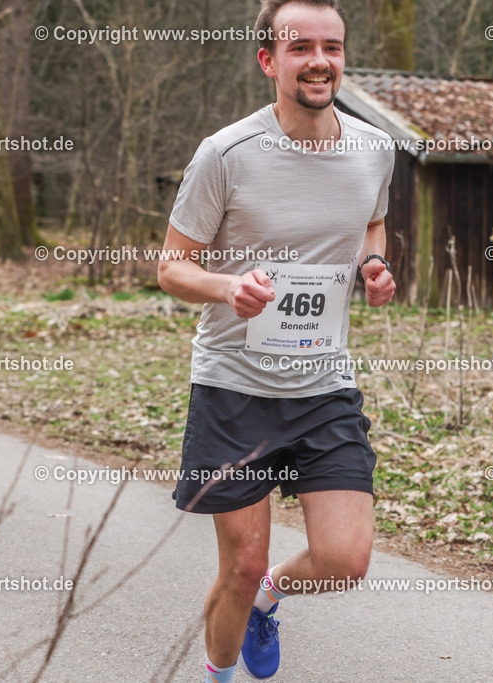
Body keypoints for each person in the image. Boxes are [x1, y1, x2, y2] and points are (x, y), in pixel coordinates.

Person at [157, 1, 395, 679]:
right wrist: (228, 287)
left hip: (323, 383)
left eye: (332, 47)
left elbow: (371, 224)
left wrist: (373, 266)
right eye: (300, 47)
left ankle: (269, 599)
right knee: (241, 564)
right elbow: (172, 267)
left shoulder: (375, 149)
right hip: (235, 386)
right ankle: (219, 672)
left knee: (345, 560)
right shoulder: (226, 154)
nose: (319, 61)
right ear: (269, 60)